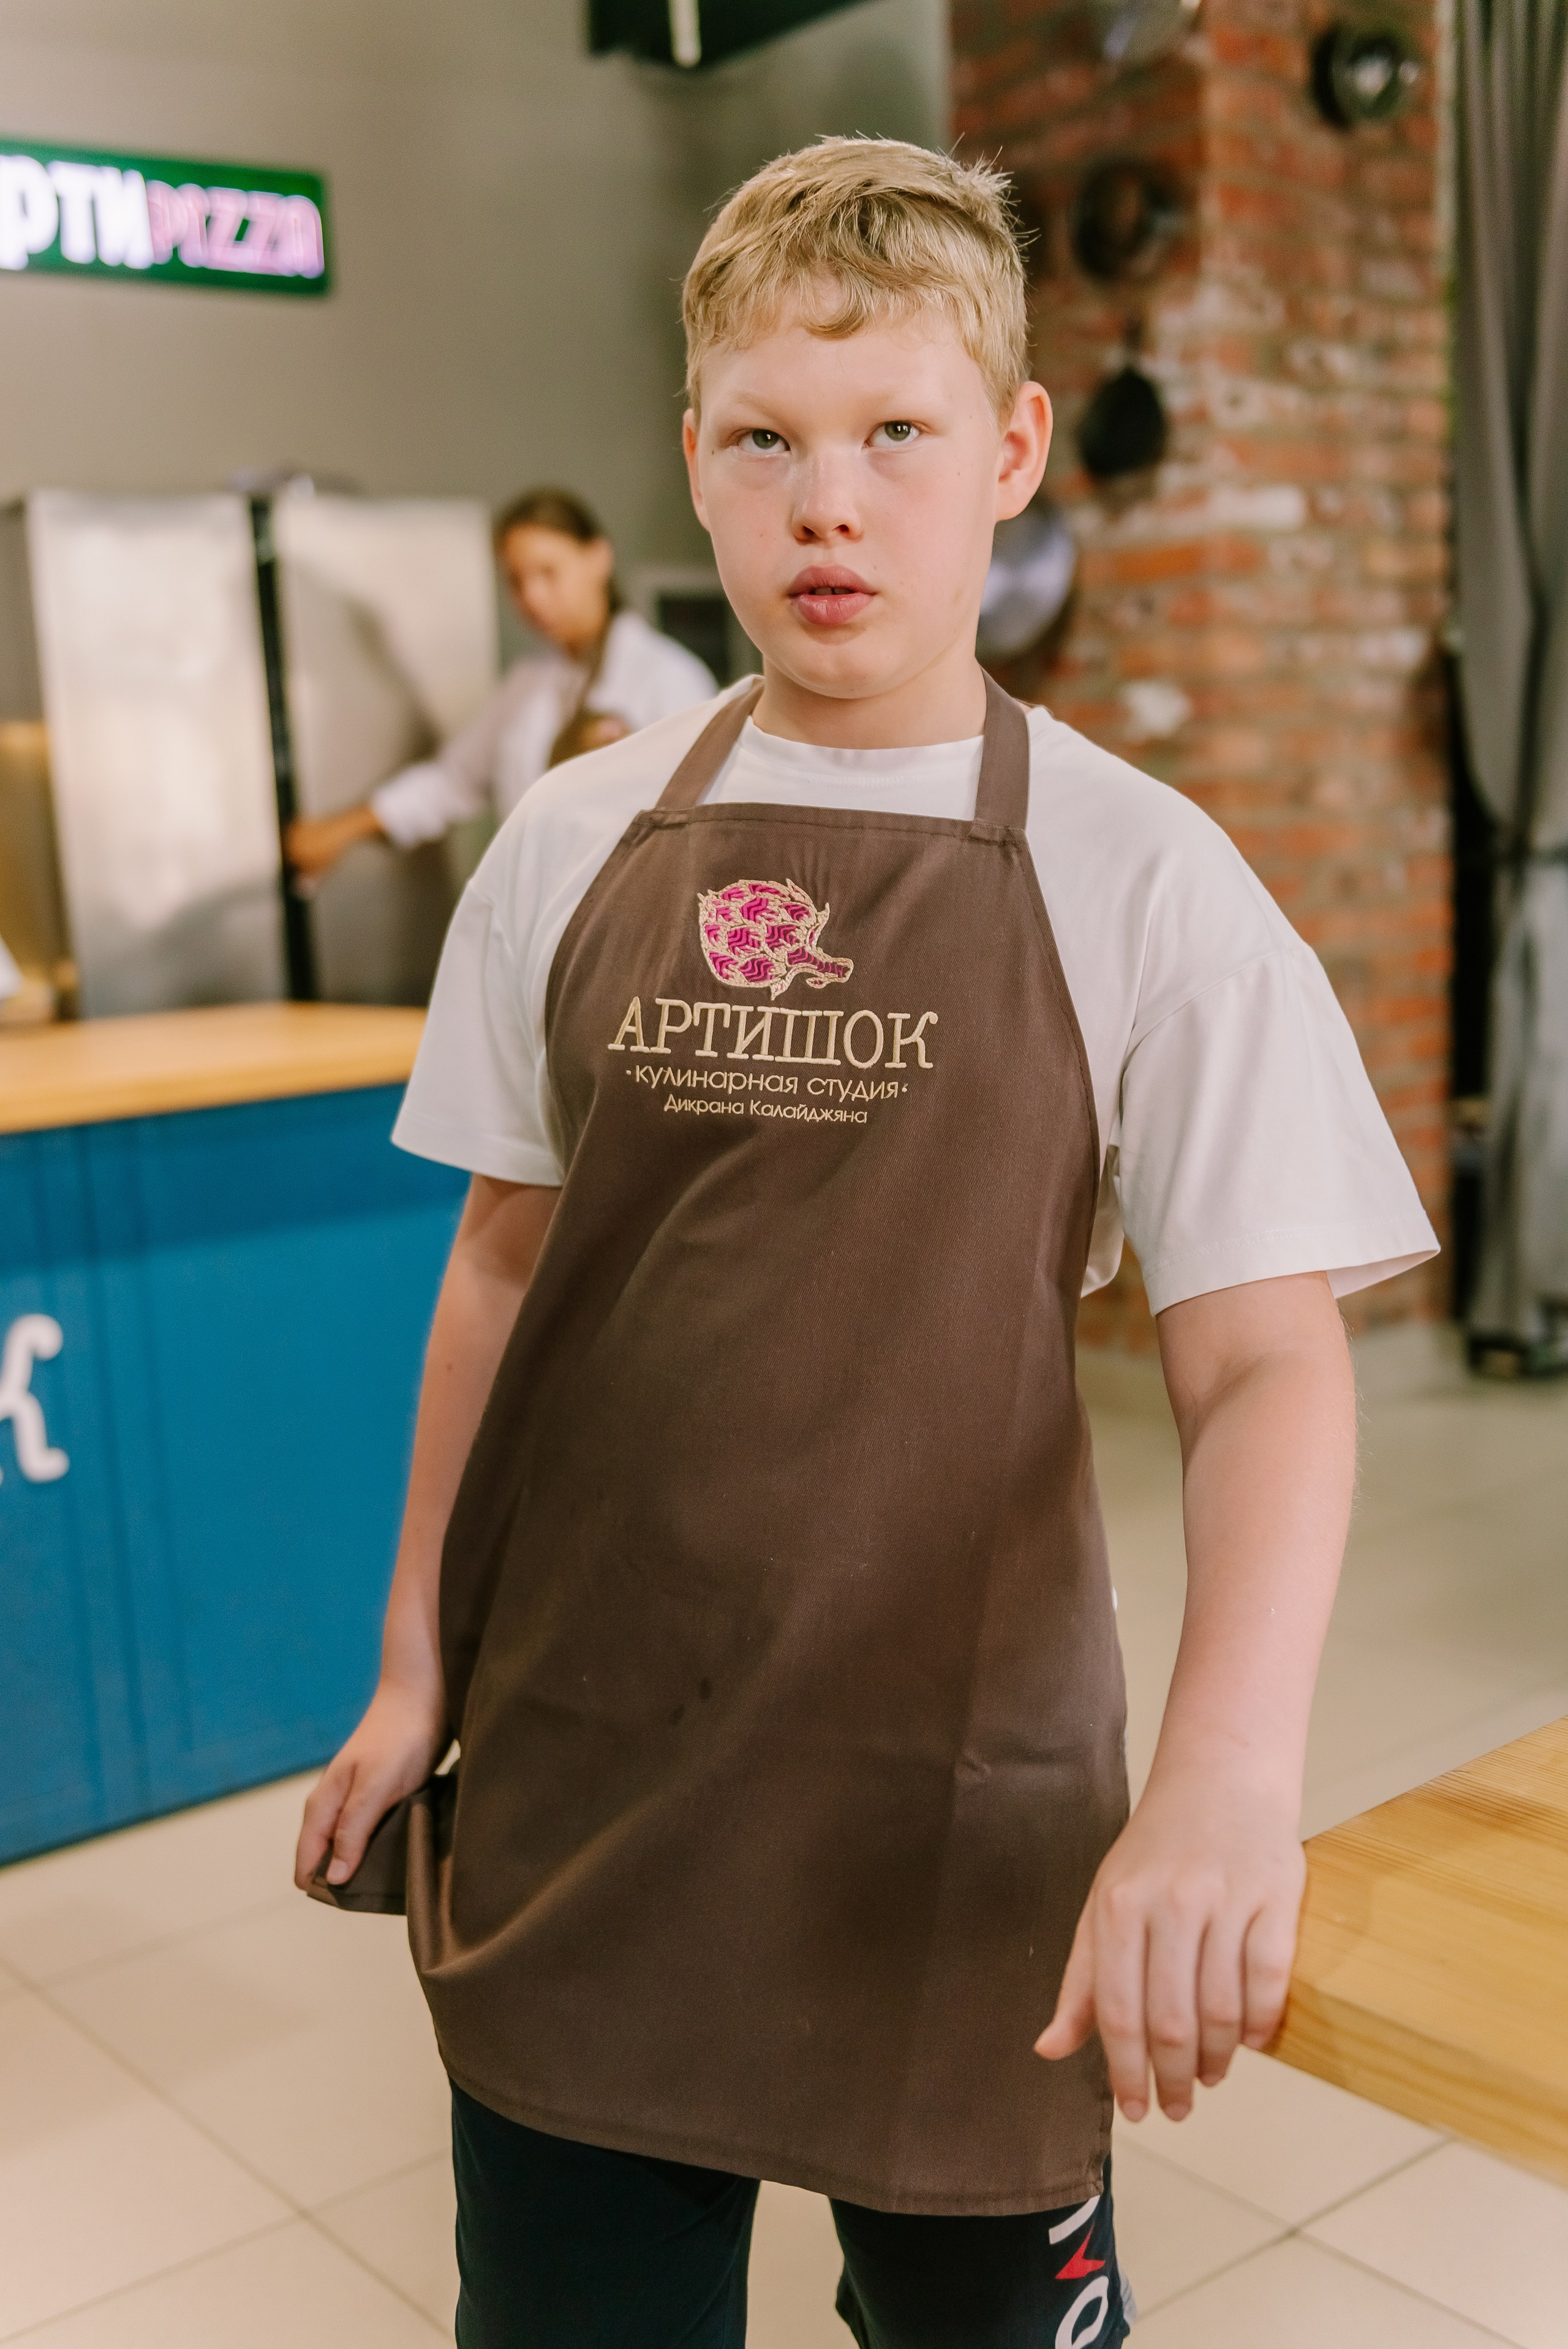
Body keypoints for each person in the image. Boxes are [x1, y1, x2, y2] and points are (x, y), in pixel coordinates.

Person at [296, 140, 1437, 2347]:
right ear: (693, 465)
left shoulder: (1143, 877)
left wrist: (1221, 1770)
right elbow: (503, 1269)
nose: (830, 503)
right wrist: (415, 1662)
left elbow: (1262, 1365)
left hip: (960, 1828)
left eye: (896, 433)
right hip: (585, 1775)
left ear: (1008, 450)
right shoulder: (564, 843)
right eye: (765, 440)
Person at [284, 489, 714, 878]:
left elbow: (697, 833)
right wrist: (343, 830)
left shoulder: (671, 680)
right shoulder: (528, 685)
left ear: (598, 557)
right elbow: (453, 781)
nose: (532, 598)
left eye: (548, 572)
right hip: (537, 913)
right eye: (517, 580)